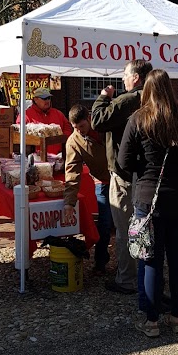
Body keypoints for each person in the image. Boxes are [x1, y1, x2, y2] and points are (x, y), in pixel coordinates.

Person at [117, 69, 178, 337]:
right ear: (170, 89)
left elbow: (123, 163)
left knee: (150, 260)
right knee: (177, 259)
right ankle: (177, 318)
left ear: (147, 90)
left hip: (149, 198)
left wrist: (144, 164)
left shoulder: (138, 119)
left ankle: (151, 322)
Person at [91, 59, 153, 294]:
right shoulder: (153, 100)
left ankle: (127, 279)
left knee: (126, 230)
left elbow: (97, 120)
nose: (122, 79)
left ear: (135, 78)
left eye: (125, 75)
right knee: (145, 228)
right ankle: (145, 275)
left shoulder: (128, 99)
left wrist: (103, 96)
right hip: (146, 175)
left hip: (126, 177)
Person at [63, 104, 112, 275]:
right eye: (75, 128)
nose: (80, 131)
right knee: (105, 224)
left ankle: (129, 264)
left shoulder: (104, 125)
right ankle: (100, 262)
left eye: (82, 126)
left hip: (121, 178)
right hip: (102, 181)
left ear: (90, 119)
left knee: (124, 224)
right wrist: (69, 201)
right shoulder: (73, 141)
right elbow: (72, 173)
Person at [16, 87, 71, 155]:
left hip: (57, 157)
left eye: (49, 98)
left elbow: (68, 128)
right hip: (36, 158)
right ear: (35, 99)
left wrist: (61, 139)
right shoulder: (25, 115)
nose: (47, 101)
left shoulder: (58, 114)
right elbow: (18, 133)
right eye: (44, 98)